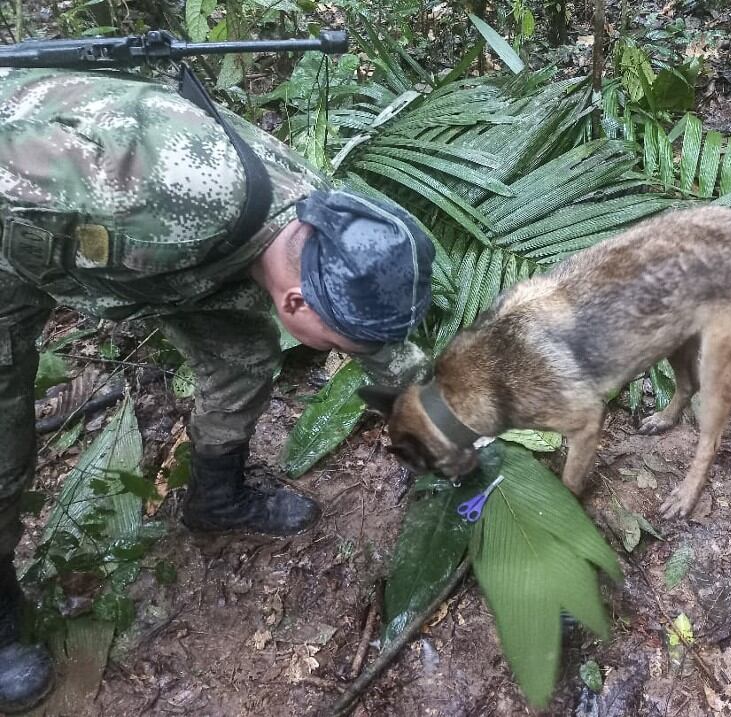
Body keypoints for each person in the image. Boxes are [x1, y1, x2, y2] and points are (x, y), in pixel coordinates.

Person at [0, 66, 434, 712]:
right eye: (338, 345)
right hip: (18, 233)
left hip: (168, 263)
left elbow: (380, 340)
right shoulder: (157, 194)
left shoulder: (321, 224)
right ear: (296, 300)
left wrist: (445, 425)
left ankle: (217, 495)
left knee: (241, 353)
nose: (344, 355)